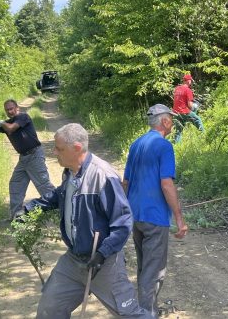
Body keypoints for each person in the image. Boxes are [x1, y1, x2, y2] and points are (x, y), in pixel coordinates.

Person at [23, 123, 153, 318]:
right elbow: (59, 196)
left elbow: (123, 222)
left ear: (76, 148)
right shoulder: (70, 172)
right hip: (73, 262)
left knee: (130, 315)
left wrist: (102, 254)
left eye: (59, 149)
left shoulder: (103, 176)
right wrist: (28, 209)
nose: (54, 152)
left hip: (104, 264)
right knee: (49, 311)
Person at [124, 104, 188, 315]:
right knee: (154, 272)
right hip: (155, 217)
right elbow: (166, 184)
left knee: (145, 267)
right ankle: (145, 314)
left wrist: (122, 212)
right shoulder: (164, 146)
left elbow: (126, 182)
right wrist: (179, 218)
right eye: (171, 119)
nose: (172, 123)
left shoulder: (136, 144)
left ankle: (146, 309)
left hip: (136, 215)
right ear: (165, 121)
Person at [172, 73, 204, 143]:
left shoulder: (177, 88)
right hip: (184, 112)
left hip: (175, 112)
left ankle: (176, 145)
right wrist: (195, 106)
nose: (191, 82)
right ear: (188, 81)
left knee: (178, 131)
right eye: (191, 80)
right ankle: (204, 138)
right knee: (198, 120)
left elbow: (179, 101)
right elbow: (190, 105)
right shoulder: (188, 90)